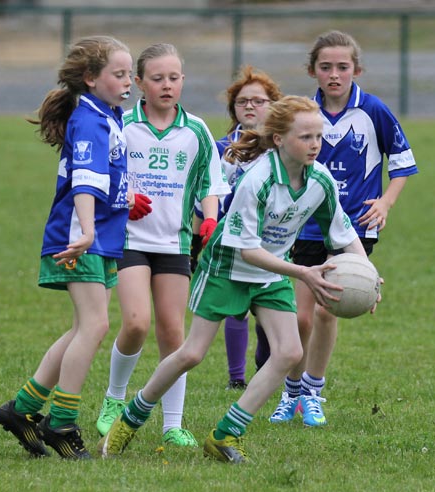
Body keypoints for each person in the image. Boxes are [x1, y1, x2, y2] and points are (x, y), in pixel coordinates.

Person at [97, 95, 377, 464]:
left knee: (291, 352)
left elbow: (343, 234)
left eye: (318, 137)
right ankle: (131, 417)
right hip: (228, 268)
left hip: (273, 271)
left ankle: (226, 433)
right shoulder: (257, 180)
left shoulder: (320, 180)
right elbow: (248, 251)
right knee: (192, 353)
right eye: (305, 137)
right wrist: (304, 274)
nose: (315, 145)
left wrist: (370, 278)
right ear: (278, 139)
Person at [0, 35, 138, 459]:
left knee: (84, 327)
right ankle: (61, 421)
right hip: (80, 237)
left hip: (98, 236)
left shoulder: (106, 114)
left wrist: (124, 198)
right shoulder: (91, 120)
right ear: (91, 78)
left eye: (130, 73)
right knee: (94, 327)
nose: (128, 81)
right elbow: (85, 181)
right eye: (119, 73)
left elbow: (103, 177)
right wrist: (89, 232)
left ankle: (21, 410)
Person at [267, 30, 418, 426]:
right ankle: (292, 392)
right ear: (313, 71)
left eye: (343, 67)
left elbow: (402, 162)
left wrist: (385, 202)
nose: (334, 74)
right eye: (326, 67)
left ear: (357, 70)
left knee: (325, 311)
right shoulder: (302, 113)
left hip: (354, 227)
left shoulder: (373, 111)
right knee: (298, 317)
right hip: (304, 226)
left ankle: (312, 392)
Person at [95, 43, 230, 447]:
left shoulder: (197, 130)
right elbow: (98, 176)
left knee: (174, 335)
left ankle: (173, 424)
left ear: (183, 81)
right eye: (157, 79)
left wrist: (209, 217)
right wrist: (123, 198)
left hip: (175, 242)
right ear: (138, 83)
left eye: (174, 78)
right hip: (130, 239)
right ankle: (113, 401)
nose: (167, 85)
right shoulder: (122, 125)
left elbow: (210, 182)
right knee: (136, 322)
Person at [191, 65, 283, 390]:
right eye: (242, 101)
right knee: (235, 309)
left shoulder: (282, 150)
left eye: (258, 101)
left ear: (274, 105)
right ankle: (236, 378)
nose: (249, 106)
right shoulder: (220, 149)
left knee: (269, 308)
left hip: (271, 239)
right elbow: (206, 195)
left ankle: (266, 366)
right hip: (229, 240)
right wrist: (201, 232)